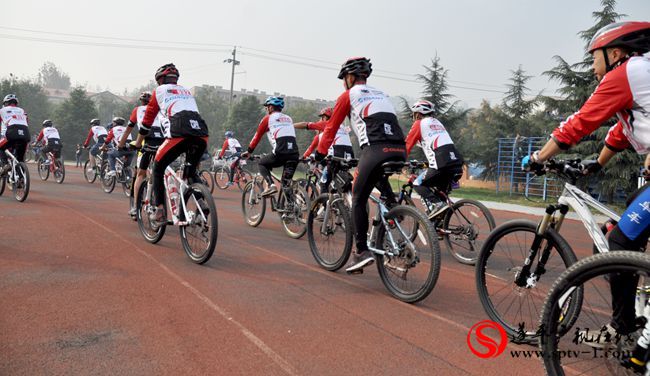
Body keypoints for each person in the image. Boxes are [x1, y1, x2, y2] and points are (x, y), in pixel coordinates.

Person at [521, 22, 650, 370]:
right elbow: (620, 132)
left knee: (618, 241)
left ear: (616, 53)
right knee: (618, 234)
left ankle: (625, 328)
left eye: (595, 58)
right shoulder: (640, 76)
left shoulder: (626, 73)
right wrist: (596, 163)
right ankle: (630, 322)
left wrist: (539, 157)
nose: (593, 67)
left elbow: (580, 122)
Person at [315, 57, 406, 273]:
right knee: (378, 178)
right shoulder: (381, 94)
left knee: (358, 197)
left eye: (343, 79)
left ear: (349, 77)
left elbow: (330, 128)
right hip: (399, 149)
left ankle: (362, 251)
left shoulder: (348, 95)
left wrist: (320, 155)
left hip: (375, 149)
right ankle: (394, 209)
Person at [140, 63, 209, 224]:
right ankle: (202, 203)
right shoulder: (186, 91)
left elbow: (146, 122)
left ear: (160, 80)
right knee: (190, 173)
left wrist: (137, 143)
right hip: (201, 133)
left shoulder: (159, 91)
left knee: (157, 167)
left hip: (179, 132)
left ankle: (159, 210)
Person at [404, 99, 464, 218]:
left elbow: (407, 145)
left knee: (417, 183)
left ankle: (437, 204)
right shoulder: (437, 123)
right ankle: (440, 227)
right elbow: (429, 144)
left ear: (418, 114)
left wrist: (399, 161)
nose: (413, 117)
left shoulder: (419, 123)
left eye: (414, 114)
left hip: (441, 165)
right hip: (456, 163)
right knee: (440, 194)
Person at [118, 91, 165, 218]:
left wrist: (120, 145)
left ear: (141, 101)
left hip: (147, 141)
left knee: (140, 173)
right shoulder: (160, 110)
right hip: (163, 141)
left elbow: (129, 129)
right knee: (160, 172)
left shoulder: (137, 110)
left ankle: (135, 206)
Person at [241, 97, 299, 197]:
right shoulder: (289, 118)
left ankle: (271, 185)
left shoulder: (268, 119)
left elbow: (257, 136)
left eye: (267, 107)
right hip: (294, 154)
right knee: (285, 184)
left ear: (271, 107)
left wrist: (249, 151)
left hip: (280, 153)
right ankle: (291, 207)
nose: (266, 109)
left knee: (262, 163)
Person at [296, 107, 354, 192]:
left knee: (323, 183)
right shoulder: (342, 127)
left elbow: (307, 126)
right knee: (335, 177)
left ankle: (324, 204)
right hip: (349, 156)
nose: (320, 120)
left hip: (336, 156)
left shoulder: (327, 126)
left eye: (321, 117)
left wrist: (303, 158)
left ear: (325, 117)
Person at [0, 94, 30, 174]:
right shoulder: (22, 111)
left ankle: (5, 164)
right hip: (25, 134)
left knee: (1, 147)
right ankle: (21, 179)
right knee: (20, 159)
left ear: (5, 103)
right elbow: (26, 121)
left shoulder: (2, 110)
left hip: (12, 133)